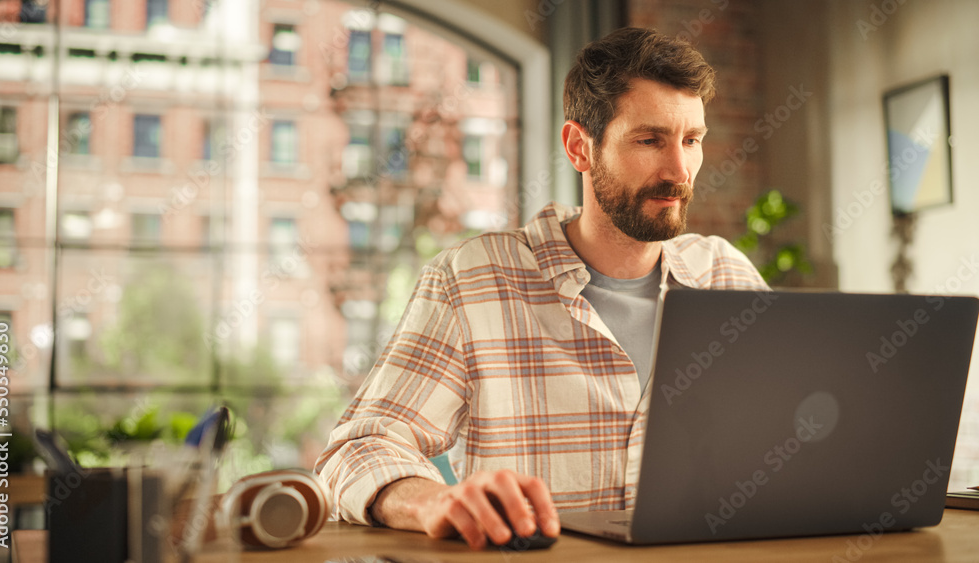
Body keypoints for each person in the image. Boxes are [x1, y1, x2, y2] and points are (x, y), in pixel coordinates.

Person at [315, 27, 769, 550]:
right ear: (580, 147)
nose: (680, 170)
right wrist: (436, 501)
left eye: (692, 140)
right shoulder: (472, 279)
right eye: (650, 140)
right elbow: (358, 449)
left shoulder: (725, 276)